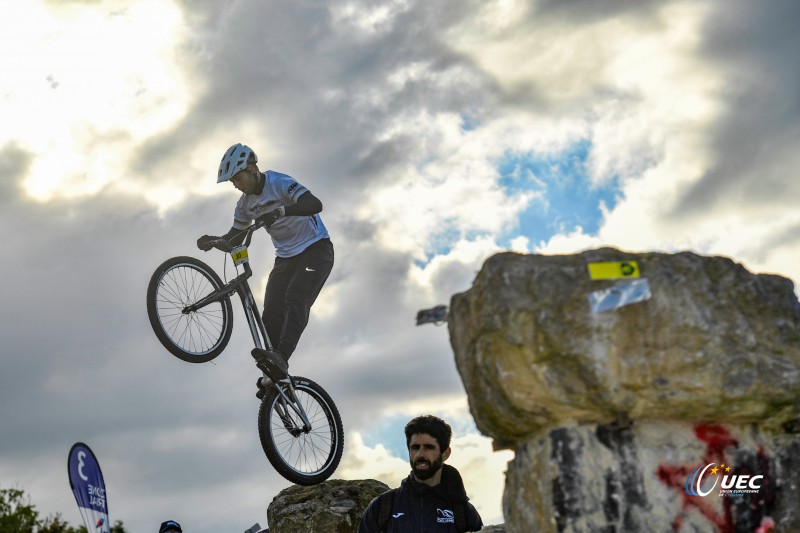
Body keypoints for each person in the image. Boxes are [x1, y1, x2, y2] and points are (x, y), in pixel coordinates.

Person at [197, 143, 334, 398]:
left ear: (252, 169)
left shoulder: (280, 182)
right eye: (232, 182)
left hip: (316, 249)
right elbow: (234, 237)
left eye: (238, 178)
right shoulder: (244, 205)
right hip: (285, 258)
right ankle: (272, 376)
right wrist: (215, 241)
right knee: (270, 311)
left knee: (295, 298)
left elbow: (315, 204)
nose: (236, 185)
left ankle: (281, 358)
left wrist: (281, 210)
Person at [358, 415, 484, 532]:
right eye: (415, 447)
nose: (420, 455)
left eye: (429, 447)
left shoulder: (463, 512)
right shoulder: (382, 507)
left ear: (445, 453)